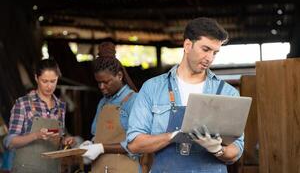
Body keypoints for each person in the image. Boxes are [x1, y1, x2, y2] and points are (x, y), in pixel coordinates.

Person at [126, 17, 244, 173]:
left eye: (215, 53)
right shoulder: (152, 89)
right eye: (206, 49)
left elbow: (237, 150)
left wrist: (218, 150)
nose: (210, 58)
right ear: (188, 45)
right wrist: (173, 136)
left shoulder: (227, 93)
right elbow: (134, 144)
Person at [4, 58, 75, 173]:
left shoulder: (61, 107)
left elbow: (59, 137)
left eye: (53, 81)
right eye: (44, 81)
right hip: (25, 169)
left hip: (52, 169)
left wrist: (65, 140)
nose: (49, 86)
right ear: (36, 78)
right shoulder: (23, 104)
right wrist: (36, 135)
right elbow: (9, 141)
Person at [80, 42, 140, 173]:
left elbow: (137, 145)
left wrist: (101, 148)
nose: (101, 87)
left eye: (106, 82)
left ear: (119, 75)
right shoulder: (103, 102)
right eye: (98, 82)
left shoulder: (134, 101)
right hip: (100, 168)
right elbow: (98, 135)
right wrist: (91, 144)